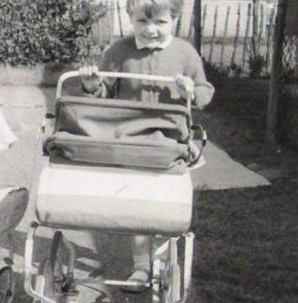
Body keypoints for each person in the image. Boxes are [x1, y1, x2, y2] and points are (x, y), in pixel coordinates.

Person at [79, 0, 215, 293]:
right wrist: (92, 84)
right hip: (131, 141)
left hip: (170, 143)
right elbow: (104, 91)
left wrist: (189, 91)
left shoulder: (184, 53)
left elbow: (205, 92)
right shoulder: (118, 52)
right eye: (142, 22)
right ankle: (142, 266)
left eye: (161, 23)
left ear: (175, 19)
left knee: (166, 206)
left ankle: (164, 259)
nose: (151, 30)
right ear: (130, 16)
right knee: (139, 205)